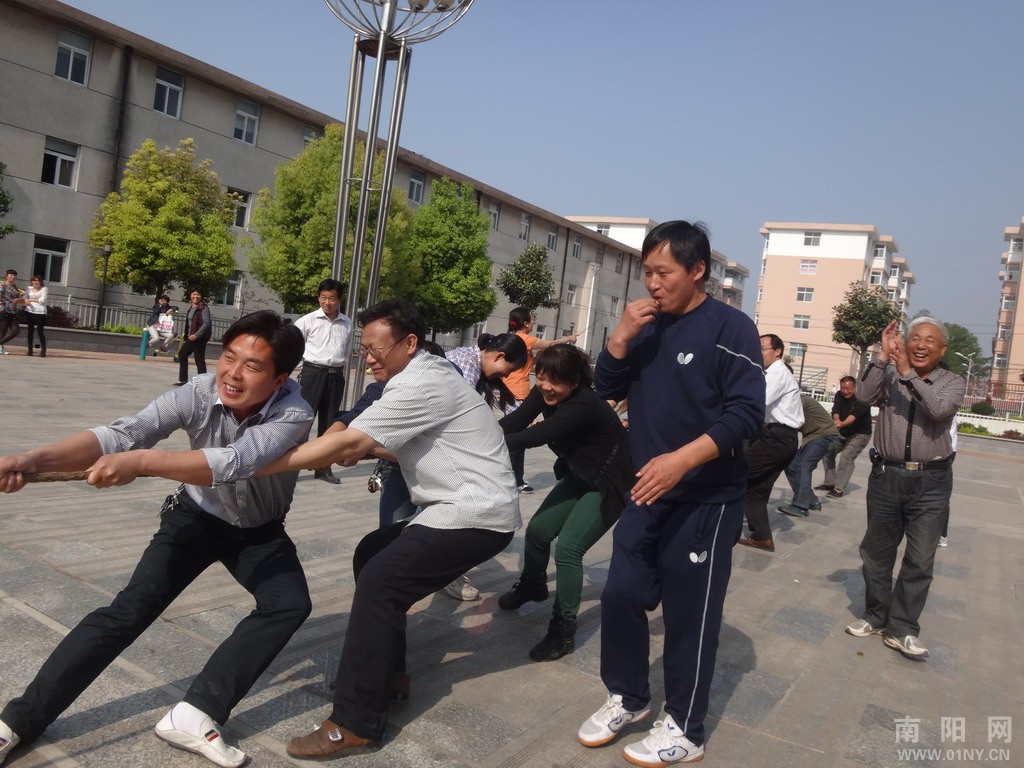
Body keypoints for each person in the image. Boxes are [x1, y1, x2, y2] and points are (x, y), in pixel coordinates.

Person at [0, 310, 315, 768]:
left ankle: (195, 712)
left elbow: (233, 462)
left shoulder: (294, 412)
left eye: (252, 366)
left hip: (259, 532)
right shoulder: (197, 391)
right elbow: (124, 434)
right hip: (196, 518)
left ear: (280, 377)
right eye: (229, 357)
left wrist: (143, 463)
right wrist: (33, 459)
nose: (232, 373)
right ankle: (16, 723)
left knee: (288, 603)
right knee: (126, 613)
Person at [258, 299, 521, 761]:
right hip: (454, 504)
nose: (369, 357)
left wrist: (255, 465)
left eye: (377, 348)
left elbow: (348, 438)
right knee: (372, 553)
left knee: (381, 581)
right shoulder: (412, 377)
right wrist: (360, 447)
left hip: (476, 512)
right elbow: (380, 435)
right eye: (364, 349)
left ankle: (355, 723)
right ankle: (389, 675)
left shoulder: (426, 381)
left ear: (410, 343)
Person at [581, 220, 764, 766]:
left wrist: (683, 460)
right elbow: (607, 392)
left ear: (697, 270)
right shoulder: (647, 328)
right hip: (646, 491)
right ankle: (629, 696)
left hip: (705, 498)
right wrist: (618, 339)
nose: (653, 284)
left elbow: (747, 414)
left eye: (663, 272)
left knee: (690, 616)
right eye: (648, 273)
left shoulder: (730, 328)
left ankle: (686, 728)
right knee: (619, 595)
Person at [497, 344, 634, 662]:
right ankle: (532, 585)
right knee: (538, 531)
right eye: (541, 377)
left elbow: (536, 435)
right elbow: (518, 421)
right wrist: (482, 432)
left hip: (609, 483)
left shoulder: (584, 404)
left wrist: (480, 444)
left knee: (569, 549)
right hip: (579, 473)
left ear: (575, 381)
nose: (545, 386)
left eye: (555, 381)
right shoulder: (545, 390)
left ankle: (563, 631)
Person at [845, 317, 965, 661]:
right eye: (914, 338)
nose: (921, 344)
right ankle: (875, 615)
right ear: (905, 342)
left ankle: (904, 628)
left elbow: (939, 410)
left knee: (920, 558)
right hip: (886, 476)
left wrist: (908, 375)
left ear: (942, 349)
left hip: (932, 482)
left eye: (929, 340)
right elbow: (864, 398)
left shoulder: (952, 382)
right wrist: (882, 357)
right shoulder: (890, 374)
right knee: (876, 552)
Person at [443, 332, 527, 601]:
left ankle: (440, 571)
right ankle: (441, 573)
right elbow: (464, 413)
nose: (505, 376)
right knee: (416, 517)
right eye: (507, 370)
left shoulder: (480, 368)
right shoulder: (465, 363)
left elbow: (512, 405)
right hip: (428, 451)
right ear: (500, 356)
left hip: (441, 452)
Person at [738, 335, 803, 552]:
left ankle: (714, 525)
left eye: (762, 348)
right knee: (755, 489)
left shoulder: (777, 372)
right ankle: (762, 537)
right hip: (779, 439)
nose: (759, 353)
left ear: (778, 351)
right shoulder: (771, 373)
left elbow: (756, 401)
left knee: (734, 474)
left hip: (777, 438)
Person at [502, 307, 577, 493]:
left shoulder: (514, 340)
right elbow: (550, 344)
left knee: (514, 432)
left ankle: (513, 478)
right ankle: (515, 480)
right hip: (517, 391)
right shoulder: (525, 339)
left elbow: (528, 363)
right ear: (526, 323)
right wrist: (569, 339)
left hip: (509, 390)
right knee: (517, 437)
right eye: (532, 321)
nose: (533, 324)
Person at [294, 279, 353, 484]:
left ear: (339, 300)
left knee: (330, 424)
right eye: (323, 297)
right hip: (312, 373)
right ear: (318, 297)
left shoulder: (347, 323)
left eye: (332, 298)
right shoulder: (307, 321)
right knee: (302, 419)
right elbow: (293, 347)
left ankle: (323, 467)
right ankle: (291, 466)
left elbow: (346, 351)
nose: (327, 302)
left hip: (336, 375)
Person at [776, 392, 841, 518]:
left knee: (804, 465)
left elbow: (786, 424)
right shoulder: (791, 401)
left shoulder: (798, 401)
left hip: (824, 435)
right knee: (791, 467)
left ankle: (800, 506)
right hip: (812, 437)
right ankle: (812, 501)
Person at [817, 375, 873, 498]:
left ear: (855, 387)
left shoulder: (863, 399)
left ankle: (838, 489)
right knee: (827, 451)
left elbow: (853, 416)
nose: (845, 391)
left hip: (860, 434)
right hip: (843, 432)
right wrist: (836, 420)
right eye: (843, 388)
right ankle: (829, 482)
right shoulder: (839, 395)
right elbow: (835, 410)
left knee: (846, 456)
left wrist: (841, 423)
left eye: (848, 389)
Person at [175, 288, 212, 386]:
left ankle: (204, 383)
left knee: (199, 358)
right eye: (194, 294)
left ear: (201, 296)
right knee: (182, 354)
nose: (196, 296)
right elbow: (190, 323)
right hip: (191, 337)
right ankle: (183, 380)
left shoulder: (203, 307)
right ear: (190, 295)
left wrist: (196, 335)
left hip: (200, 338)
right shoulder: (191, 307)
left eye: (198, 294)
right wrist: (188, 333)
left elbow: (206, 323)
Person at [22, 275, 47, 357]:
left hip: (40, 312)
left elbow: (42, 300)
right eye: (33, 282)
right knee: (30, 331)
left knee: (40, 331)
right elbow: (25, 296)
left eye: (37, 282)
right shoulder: (29, 288)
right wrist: (26, 300)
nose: (35, 283)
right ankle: (30, 350)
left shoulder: (44, 289)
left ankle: (43, 350)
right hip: (29, 311)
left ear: (40, 282)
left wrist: (31, 299)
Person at [0, 269, 22, 355]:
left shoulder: (15, 287)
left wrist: (19, 299)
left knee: (16, 330)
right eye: (11, 275)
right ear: (6, 276)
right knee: (3, 330)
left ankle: (0, 343)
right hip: (3, 309)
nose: (13, 277)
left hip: (12, 311)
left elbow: (19, 298)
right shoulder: (2, 285)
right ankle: (1, 348)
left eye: (14, 275)